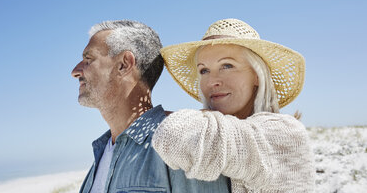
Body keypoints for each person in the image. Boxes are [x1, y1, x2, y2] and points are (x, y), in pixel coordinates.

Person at [152, 18, 316, 192]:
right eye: (204, 70)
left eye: (227, 65)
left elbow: (174, 136)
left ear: (257, 75)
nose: (212, 81)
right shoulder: (224, 135)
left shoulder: (285, 133)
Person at [71, 20, 231, 193]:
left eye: (88, 59)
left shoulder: (181, 143)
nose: (75, 71)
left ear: (124, 64)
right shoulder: (101, 151)